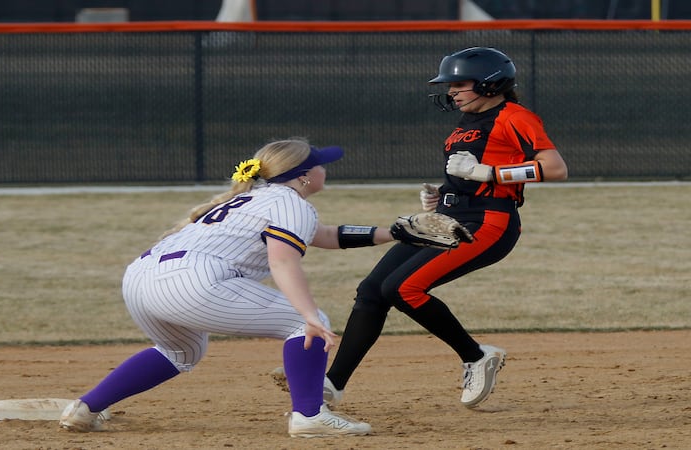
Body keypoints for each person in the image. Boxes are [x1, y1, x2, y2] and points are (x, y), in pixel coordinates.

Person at [59, 138, 409, 437]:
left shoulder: (257, 197)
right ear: (303, 176)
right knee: (304, 321)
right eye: (320, 164)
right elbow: (283, 261)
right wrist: (307, 315)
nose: (324, 169)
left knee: (179, 353)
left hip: (140, 278)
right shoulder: (290, 203)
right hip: (192, 281)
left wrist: (393, 233)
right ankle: (310, 416)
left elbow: (326, 235)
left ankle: (85, 409)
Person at [322, 47, 568, 410]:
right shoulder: (466, 122)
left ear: (489, 83)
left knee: (403, 288)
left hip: (488, 222)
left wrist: (491, 174)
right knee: (372, 290)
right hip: (451, 219)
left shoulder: (514, 116)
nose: (451, 91)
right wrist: (444, 196)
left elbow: (555, 167)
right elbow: (471, 173)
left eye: (459, 84)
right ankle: (331, 384)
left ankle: (475, 356)